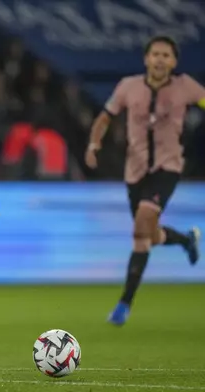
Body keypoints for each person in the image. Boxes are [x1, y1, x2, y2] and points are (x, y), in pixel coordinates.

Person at [85, 35, 204, 326]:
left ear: (174, 62)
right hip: (134, 172)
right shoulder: (128, 87)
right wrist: (94, 144)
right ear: (146, 59)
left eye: (166, 55)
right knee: (146, 236)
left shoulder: (186, 86)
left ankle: (124, 304)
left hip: (168, 168)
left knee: (142, 224)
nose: (160, 59)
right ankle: (185, 239)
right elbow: (105, 117)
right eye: (155, 54)